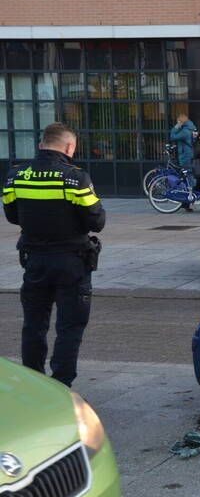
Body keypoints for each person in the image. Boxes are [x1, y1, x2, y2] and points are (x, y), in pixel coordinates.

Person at [3, 123, 105, 387]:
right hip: (72, 262)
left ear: (41, 145)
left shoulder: (16, 175)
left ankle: (35, 386)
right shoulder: (75, 177)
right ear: (70, 147)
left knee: (34, 326)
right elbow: (97, 221)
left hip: (34, 261)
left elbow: (12, 216)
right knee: (69, 328)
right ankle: (61, 386)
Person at [169, 113, 198, 210]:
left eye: (178, 121)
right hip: (189, 155)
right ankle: (186, 203)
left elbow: (173, 137)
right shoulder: (192, 128)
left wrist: (176, 126)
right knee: (187, 177)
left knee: (187, 177)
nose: (177, 123)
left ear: (181, 121)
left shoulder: (185, 131)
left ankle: (188, 200)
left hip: (185, 156)